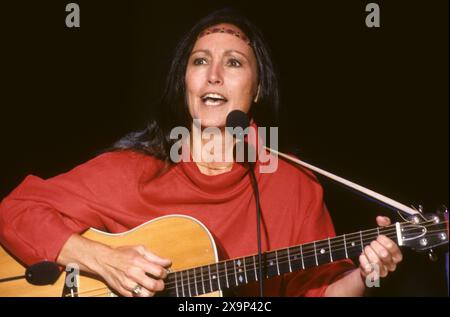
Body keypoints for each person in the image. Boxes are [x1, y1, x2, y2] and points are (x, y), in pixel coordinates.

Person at [0, 8, 402, 297]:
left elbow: (317, 293)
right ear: (185, 83)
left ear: (258, 89)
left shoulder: (294, 187)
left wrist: (367, 275)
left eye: (233, 62)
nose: (213, 74)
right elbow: (14, 210)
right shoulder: (134, 171)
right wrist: (101, 259)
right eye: (200, 61)